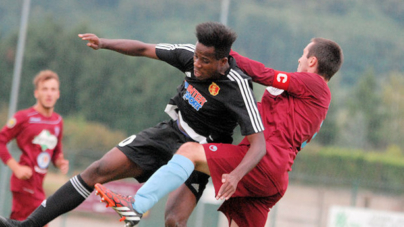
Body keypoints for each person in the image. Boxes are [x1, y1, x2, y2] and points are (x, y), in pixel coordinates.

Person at [0, 22, 265, 227]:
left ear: (223, 62)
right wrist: (104, 43)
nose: (196, 64)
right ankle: (27, 225)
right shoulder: (189, 56)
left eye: (204, 61)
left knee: (174, 220)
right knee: (97, 170)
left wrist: (236, 174)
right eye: (196, 56)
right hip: (170, 132)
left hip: (200, 155)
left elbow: (259, 145)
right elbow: (142, 48)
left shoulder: (239, 88)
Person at [93, 37, 344, 227]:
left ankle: (137, 204)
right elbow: (254, 111)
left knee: (189, 151)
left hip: (262, 164)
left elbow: (262, 74)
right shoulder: (306, 100)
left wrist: (219, 52)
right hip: (273, 178)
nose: (299, 59)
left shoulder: (314, 84)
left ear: (312, 61)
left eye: (303, 55)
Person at [0, 70, 69, 224]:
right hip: (24, 184)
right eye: (44, 89)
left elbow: (56, 151)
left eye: (53, 89)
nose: (49, 93)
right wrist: (16, 167)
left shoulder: (58, 121)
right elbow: (1, 140)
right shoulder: (24, 117)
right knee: (41, 222)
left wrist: (60, 162)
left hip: (38, 185)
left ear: (58, 93)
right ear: (36, 93)